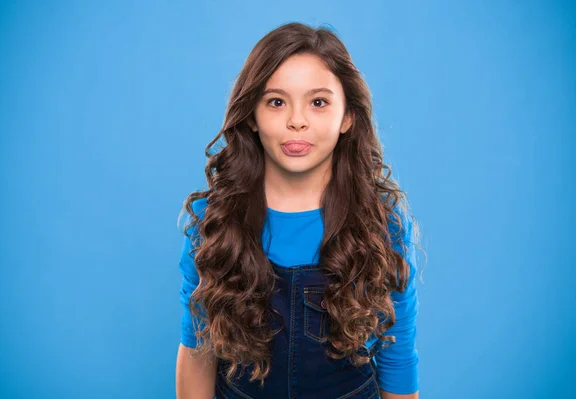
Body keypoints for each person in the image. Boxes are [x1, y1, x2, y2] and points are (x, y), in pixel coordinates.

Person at [175, 22, 423, 399]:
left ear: (348, 117)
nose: (297, 120)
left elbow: (398, 354)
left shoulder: (381, 222)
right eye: (276, 102)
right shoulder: (217, 219)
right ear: (253, 117)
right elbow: (197, 351)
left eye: (318, 102)